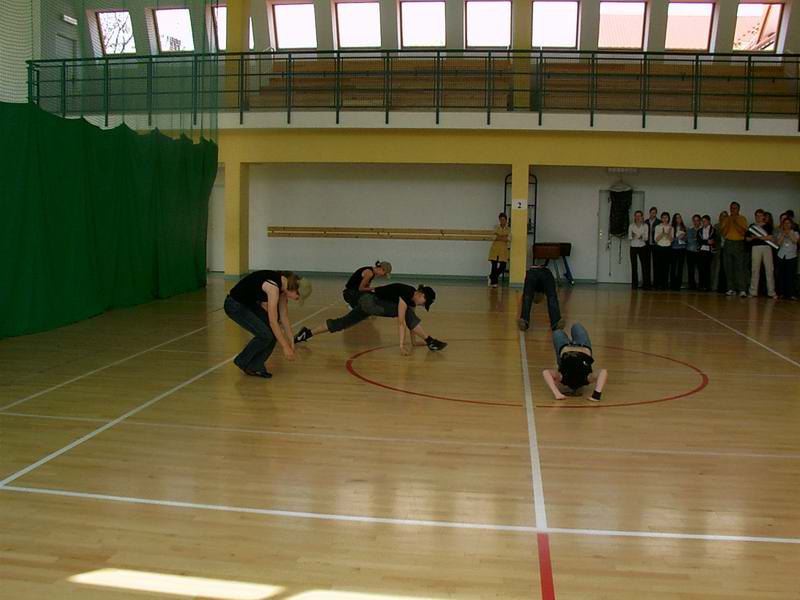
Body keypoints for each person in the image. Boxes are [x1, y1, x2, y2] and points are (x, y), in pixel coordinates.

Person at [294, 282, 447, 355]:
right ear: (421, 295)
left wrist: (413, 342)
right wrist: (401, 346)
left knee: (342, 323)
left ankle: (306, 333)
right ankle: (430, 341)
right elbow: (401, 322)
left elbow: (410, 320)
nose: (423, 305)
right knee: (405, 312)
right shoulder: (407, 293)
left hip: (368, 302)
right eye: (424, 302)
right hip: (371, 302)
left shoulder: (412, 299)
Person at [224, 270, 312, 379]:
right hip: (235, 305)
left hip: (249, 305)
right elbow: (273, 322)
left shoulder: (284, 287)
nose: (296, 299)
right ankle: (243, 360)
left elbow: (284, 317)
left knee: (273, 334)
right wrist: (285, 347)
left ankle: (255, 366)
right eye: (297, 297)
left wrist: (291, 341)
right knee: (265, 335)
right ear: (295, 290)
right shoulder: (273, 288)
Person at [542, 323, 608, 402]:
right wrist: (596, 395)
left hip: (566, 348)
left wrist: (557, 393)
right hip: (581, 346)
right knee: (575, 326)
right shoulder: (585, 378)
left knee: (558, 332)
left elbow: (546, 372)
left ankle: (558, 325)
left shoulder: (564, 378)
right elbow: (603, 372)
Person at [517, 264, 564, 331]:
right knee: (552, 296)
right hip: (545, 271)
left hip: (532, 271)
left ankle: (524, 320)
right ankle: (556, 321)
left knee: (527, 296)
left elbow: (526, 297)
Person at [721, 201, 749, 297]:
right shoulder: (727, 219)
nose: (733, 210)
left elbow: (743, 232)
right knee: (728, 267)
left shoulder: (742, 218)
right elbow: (723, 233)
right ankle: (731, 288)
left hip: (739, 243)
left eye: (735, 208)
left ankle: (742, 289)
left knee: (739, 267)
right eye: (731, 208)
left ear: (738, 209)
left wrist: (735, 222)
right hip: (728, 243)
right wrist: (728, 221)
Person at [746, 208, 776, 298]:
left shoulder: (768, 226)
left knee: (769, 269)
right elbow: (747, 238)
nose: (758, 217)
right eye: (757, 216)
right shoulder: (752, 226)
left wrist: (756, 237)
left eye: (760, 216)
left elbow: (770, 237)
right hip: (755, 248)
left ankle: (771, 292)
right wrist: (755, 238)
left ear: (763, 217)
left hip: (767, 248)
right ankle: (753, 291)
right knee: (755, 270)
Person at [775, 217, 799, 299]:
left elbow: (795, 241)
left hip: (791, 256)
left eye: (788, 223)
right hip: (781, 255)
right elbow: (778, 243)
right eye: (785, 223)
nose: (787, 225)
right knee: (781, 275)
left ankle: (791, 293)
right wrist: (783, 235)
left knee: (790, 275)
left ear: (791, 224)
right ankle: (782, 293)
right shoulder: (780, 233)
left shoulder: (795, 233)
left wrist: (789, 233)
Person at [488, 213, 510, 287]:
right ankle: (494, 282)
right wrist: (503, 237)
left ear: (506, 220)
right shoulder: (496, 227)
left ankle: (491, 277)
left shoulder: (508, 229)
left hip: (503, 250)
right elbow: (493, 237)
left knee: (503, 266)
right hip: (495, 249)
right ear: (499, 220)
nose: (502, 221)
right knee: (494, 266)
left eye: (504, 219)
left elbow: (509, 238)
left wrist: (499, 236)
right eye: (501, 219)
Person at [628, 210, 649, 290]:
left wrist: (640, 237)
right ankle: (634, 285)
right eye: (636, 216)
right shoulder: (631, 226)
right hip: (633, 247)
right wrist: (633, 236)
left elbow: (646, 238)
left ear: (642, 217)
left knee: (644, 266)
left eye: (639, 216)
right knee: (634, 266)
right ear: (634, 217)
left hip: (642, 247)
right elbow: (629, 237)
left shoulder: (645, 226)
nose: (638, 217)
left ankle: (645, 284)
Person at [653, 211, 674, 290]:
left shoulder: (671, 227)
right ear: (661, 219)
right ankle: (658, 284)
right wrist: (662, 233)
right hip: (659, 247)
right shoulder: (658, 227)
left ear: (668, 218)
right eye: (663, 217)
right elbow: (656, 239)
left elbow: (671, 240)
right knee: (658, 267)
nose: (665, 219)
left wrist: (668, 233)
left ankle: (665, 284)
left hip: (667, 248)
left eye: (666, 217)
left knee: (666, 267)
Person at [697, 214, 716, 291]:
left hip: (709, 251)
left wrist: (707, 242)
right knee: (701, 269)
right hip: (701, 251)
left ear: (709, 221)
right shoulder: (699, 230)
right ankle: (701, 285)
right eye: (702, 221)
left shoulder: (713, 230)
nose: (703, 222)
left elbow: (713, 240)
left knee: (708, 269)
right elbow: (699, 241)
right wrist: (706, 241)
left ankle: (708, 286)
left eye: (704, 221)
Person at [670, 213, 688, 290]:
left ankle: (678, 284)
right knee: (673, 267)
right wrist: (677, 238)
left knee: (680, 267)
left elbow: (687, 239)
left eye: (679, 217)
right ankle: (672, 284)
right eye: (677, 218)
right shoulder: (671, 228)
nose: (678, 219)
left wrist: (684, 238)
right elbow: (670, 239)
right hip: (674, 249)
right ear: (674, 219)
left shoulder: (684, 227)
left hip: (682, 249)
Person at [712, 210, 728, 293]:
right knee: (717, 267)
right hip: (719, 248)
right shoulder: (716, 226)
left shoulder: (730, 225)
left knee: (727, 268)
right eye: (722, 216)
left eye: (725, 216)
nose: (724, 217)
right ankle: (715, 286)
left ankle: (727, 286)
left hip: (727, 249)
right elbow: (713, 237)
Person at [644, 206, 659, 289]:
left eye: (654, 213)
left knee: (656, 264)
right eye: (651, 212)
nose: (653, 214)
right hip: (647, 244)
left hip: (655, 245)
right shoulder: (646, 222)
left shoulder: (659, 222)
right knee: (647, 264)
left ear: (656, 213)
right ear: (649, 213)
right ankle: (647, 283)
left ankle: (656, 283)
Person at [686, 214, 701, 290]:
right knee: (691, 270)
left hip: (700, 252)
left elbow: (703, 241)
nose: (696, 222)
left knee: (700, 269)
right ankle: (691, 285)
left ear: (700, 221)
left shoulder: (702, 230)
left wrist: (697, 240)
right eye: (694, 220)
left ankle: (701, 285)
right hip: (690, 251)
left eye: (697, 220)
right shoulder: (690, 230)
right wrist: (698, 240)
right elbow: (690, 240)